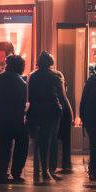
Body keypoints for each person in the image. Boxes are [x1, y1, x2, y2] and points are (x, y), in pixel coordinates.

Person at [27, 51, 69, 184]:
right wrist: (69, 111)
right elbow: (62, 96)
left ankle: (40, 168)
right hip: (52, 110)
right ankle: (48, 170)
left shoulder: (32, 76)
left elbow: (29, 96)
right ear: (51, 62)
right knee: (50, 140)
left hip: (36, 110)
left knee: (39, 140)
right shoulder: (55, 76)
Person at [0, 54, 29, 185]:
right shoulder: (21, 83)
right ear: (19, 66)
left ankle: (0, 174)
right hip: (15, 120)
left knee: (0, 147)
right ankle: (16, 173)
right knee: (22, 144)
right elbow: (23, 104)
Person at [50, 66, 76, 175]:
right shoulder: (57, 76)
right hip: (63, 112)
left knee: (53, 139)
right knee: (65, 140)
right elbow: (64, 98)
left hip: (56, 112)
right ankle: (65, 164)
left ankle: (52, 165)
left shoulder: (37, 77)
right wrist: (71, 114)